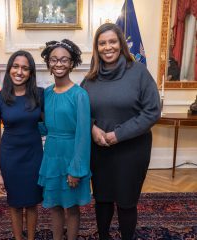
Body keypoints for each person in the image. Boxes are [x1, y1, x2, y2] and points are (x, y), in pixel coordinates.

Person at [81, 23, 161, 240]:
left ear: (121, 44)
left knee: (126, 201)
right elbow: (79, 110)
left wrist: (119, 134)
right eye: (102, 43)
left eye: (112, 41)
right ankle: (104, 236)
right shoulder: (90, 78)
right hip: (100, 150)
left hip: (132, 150)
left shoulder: (138, 72)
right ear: (97, 48)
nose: (108, 47)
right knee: (103, 199)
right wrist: (92, 128)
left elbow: (153, 111)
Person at [39, 39, 91, 240]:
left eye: (63, 60)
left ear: (72, 63)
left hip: (71, 155)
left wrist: (76, 169)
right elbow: (48, 126)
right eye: (54, 60)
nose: (58, 64)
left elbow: (83, 134)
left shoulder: (80, 95)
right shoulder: (47, 93)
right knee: (55, 205)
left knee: (72, 207)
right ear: (48, 63)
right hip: (52, 155)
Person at [0, 50, 43, 240]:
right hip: (10, 157)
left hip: (34, 156)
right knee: (15, 204)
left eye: (25, 68)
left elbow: (52, 123)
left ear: (31, 73)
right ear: (10, 68)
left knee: (32, 203)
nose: (19, 72)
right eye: (16, 66)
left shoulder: (40, 95)